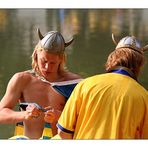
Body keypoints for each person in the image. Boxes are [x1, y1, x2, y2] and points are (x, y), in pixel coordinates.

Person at [57, 34, 148, 139]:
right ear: (139, 65)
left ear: (112, 58)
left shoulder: (86, 85)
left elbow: (63, 132)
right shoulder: (144, 97)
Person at [0, 28, 82, 139]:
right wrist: (24, 115)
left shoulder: (75, 83)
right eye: (44, 61)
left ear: (61, 59)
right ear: (36, 54)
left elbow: (87, 119)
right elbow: (1, 113)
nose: (47, 67)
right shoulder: (22, 79)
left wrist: (60, 116)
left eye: (52, 63)